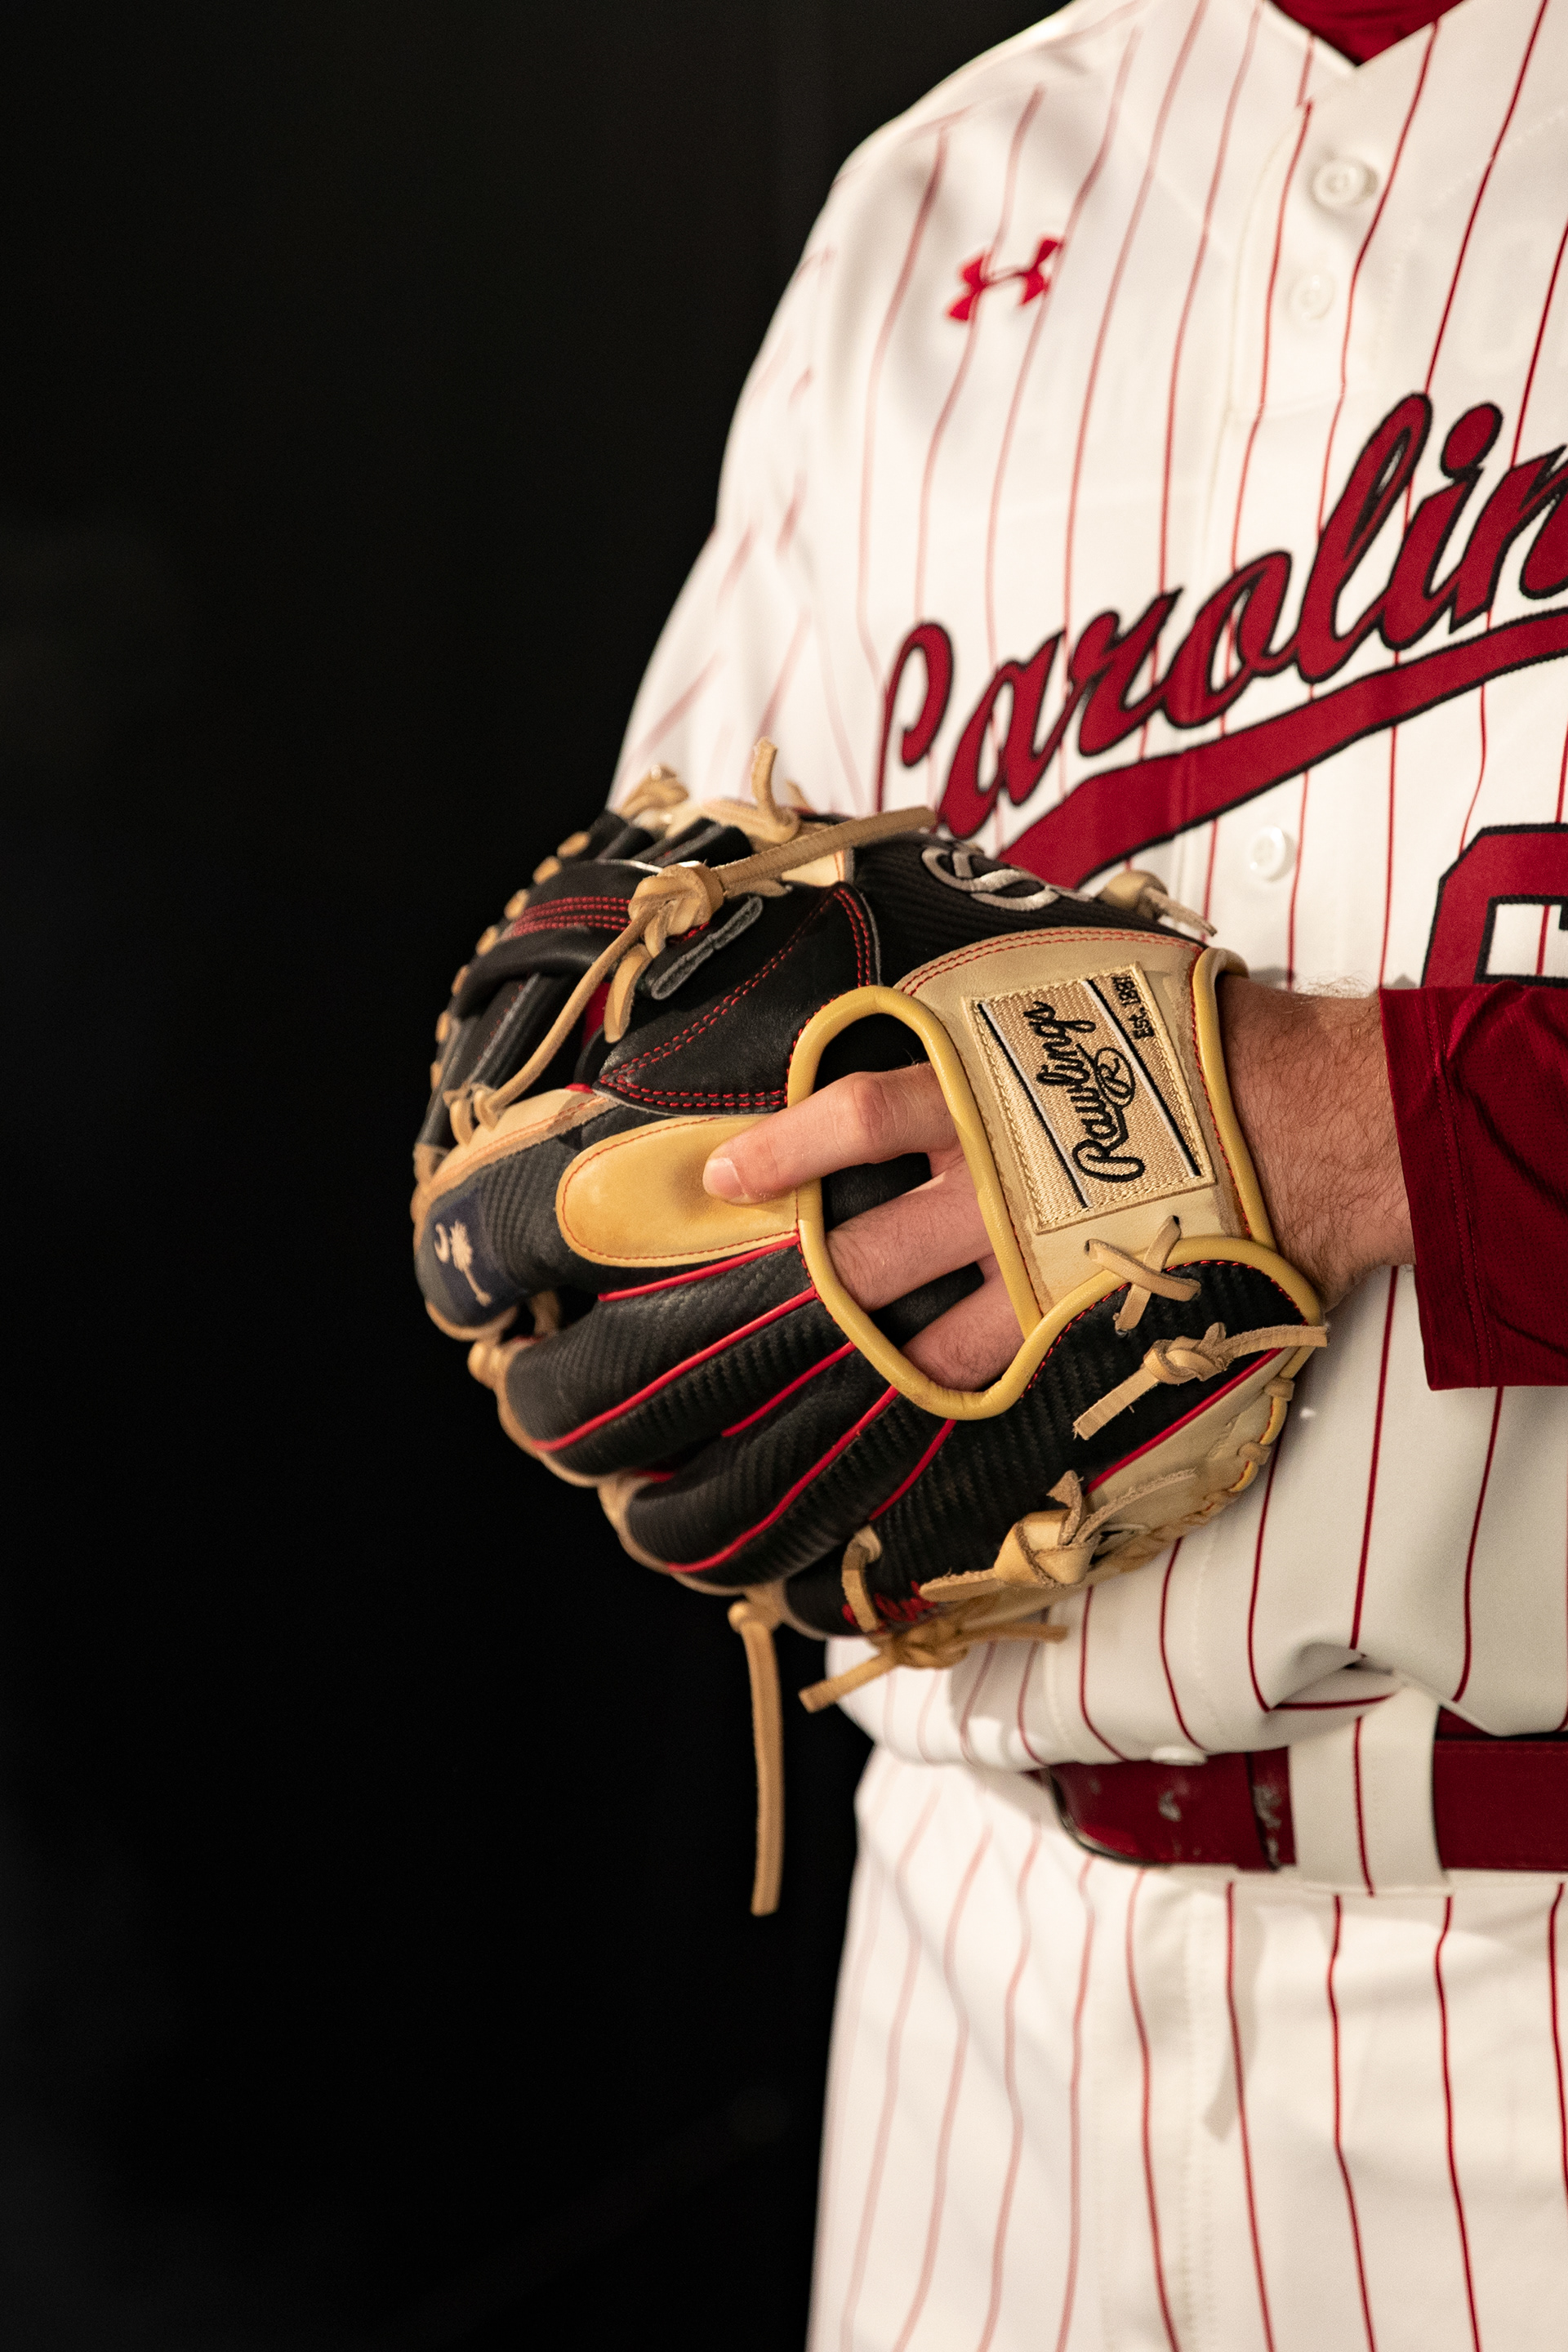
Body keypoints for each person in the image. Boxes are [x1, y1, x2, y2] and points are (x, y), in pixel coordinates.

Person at [606, 0, 1568, 2341]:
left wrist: (1345, 1125)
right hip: (995, 1984)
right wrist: (683, 1182)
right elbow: (646, 1030)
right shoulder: (939, 199)